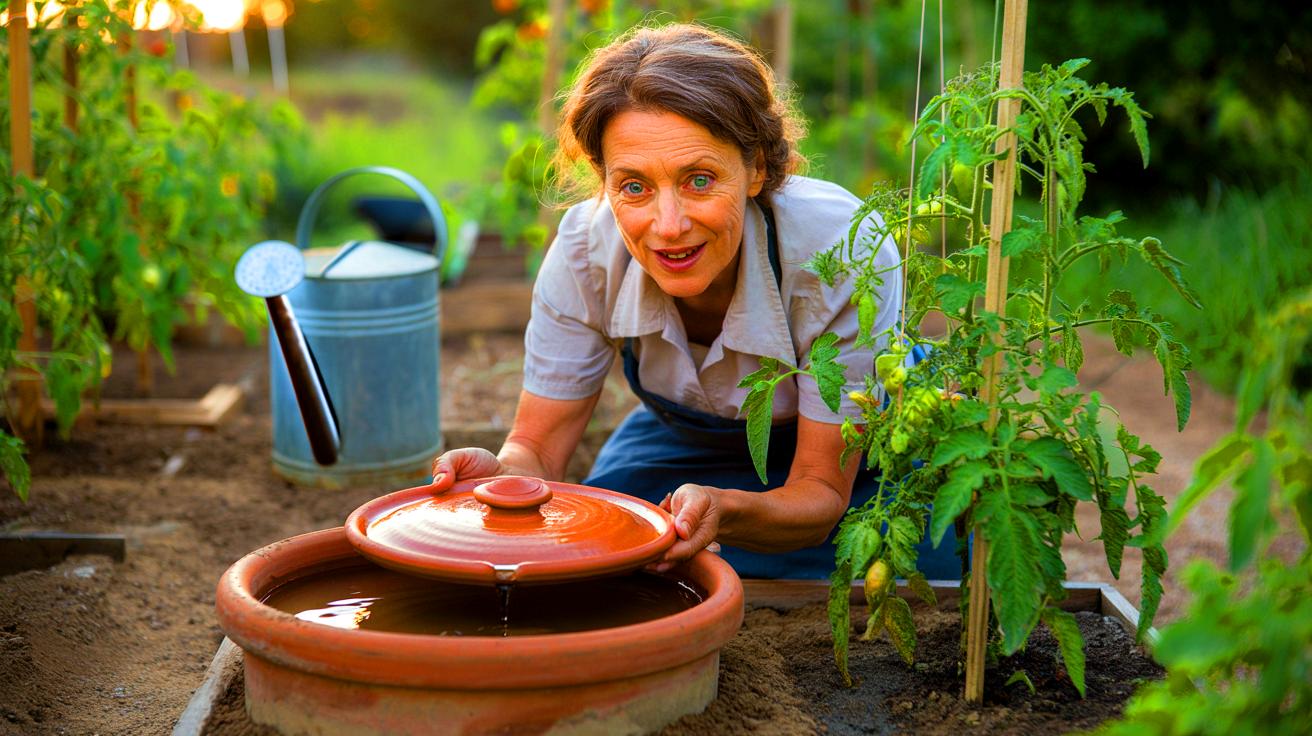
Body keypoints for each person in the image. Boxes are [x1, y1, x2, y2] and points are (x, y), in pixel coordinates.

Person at [431, 23, 958, 579]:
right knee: (613, 544)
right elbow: (538, 449)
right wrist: (503, 475)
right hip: (687, 448)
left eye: (699, 180)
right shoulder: (587, 251)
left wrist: (725, 512)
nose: (668, 226)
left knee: (916, 564)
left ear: (756, 168)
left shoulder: (838, 249)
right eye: (633, 186)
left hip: (860, 462)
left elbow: (821, 491)